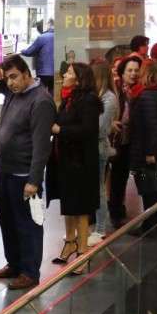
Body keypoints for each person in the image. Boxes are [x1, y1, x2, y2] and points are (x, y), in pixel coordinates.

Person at [0, 54, 56, 290]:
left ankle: (29, 271)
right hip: (5, 170)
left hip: (24, 175)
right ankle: (13, 264)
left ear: (27, 73)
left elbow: (41, 144)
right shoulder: (13, 93)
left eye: (14, 76)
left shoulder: (41, 100)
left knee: (28, 225)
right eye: (7, 78)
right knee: (7, 221)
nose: (10, 82)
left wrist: (34, 180)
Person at [46, 63, 101, 275]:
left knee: (80, 206)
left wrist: (61, 129)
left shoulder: (88, 101)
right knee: (68, 203)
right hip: (65, 160)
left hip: (81, 162)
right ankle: (70, 241)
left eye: (69, 73)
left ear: (79, 79)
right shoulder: (68, 99)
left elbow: (88, 130)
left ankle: (83, 252)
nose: (64, 75)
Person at [129, 59, 157, 233]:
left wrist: (149, 152)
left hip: (149, 148)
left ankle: (149, 225)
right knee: (156, 186)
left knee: (148, 188)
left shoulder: (147, 95)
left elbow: (150, 126)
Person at [108, 56, 143, 229]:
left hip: (129, 140)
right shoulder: (114, 88)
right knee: (113, 177)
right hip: (114, 139)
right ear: (122, 72)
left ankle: (117, 209)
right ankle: (112, 211)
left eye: (136, 70)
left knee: (122, 177)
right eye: (129, 70)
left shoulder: (139, 90)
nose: (133, 74)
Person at [88, 59, 119, 245]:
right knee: (93, 188)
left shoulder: (108, 98)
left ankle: (100, 229)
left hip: (99, 148)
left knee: (99, 188)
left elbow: (100, 128)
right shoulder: (98, 96)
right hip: (92, 146)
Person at [21, 19, 55, 93]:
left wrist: (21, 51)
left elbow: (29, 52)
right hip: (56, 71)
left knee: (41, 93)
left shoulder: (42, 37)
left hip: (44, 73)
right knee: (53, 94)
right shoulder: (59, 37)